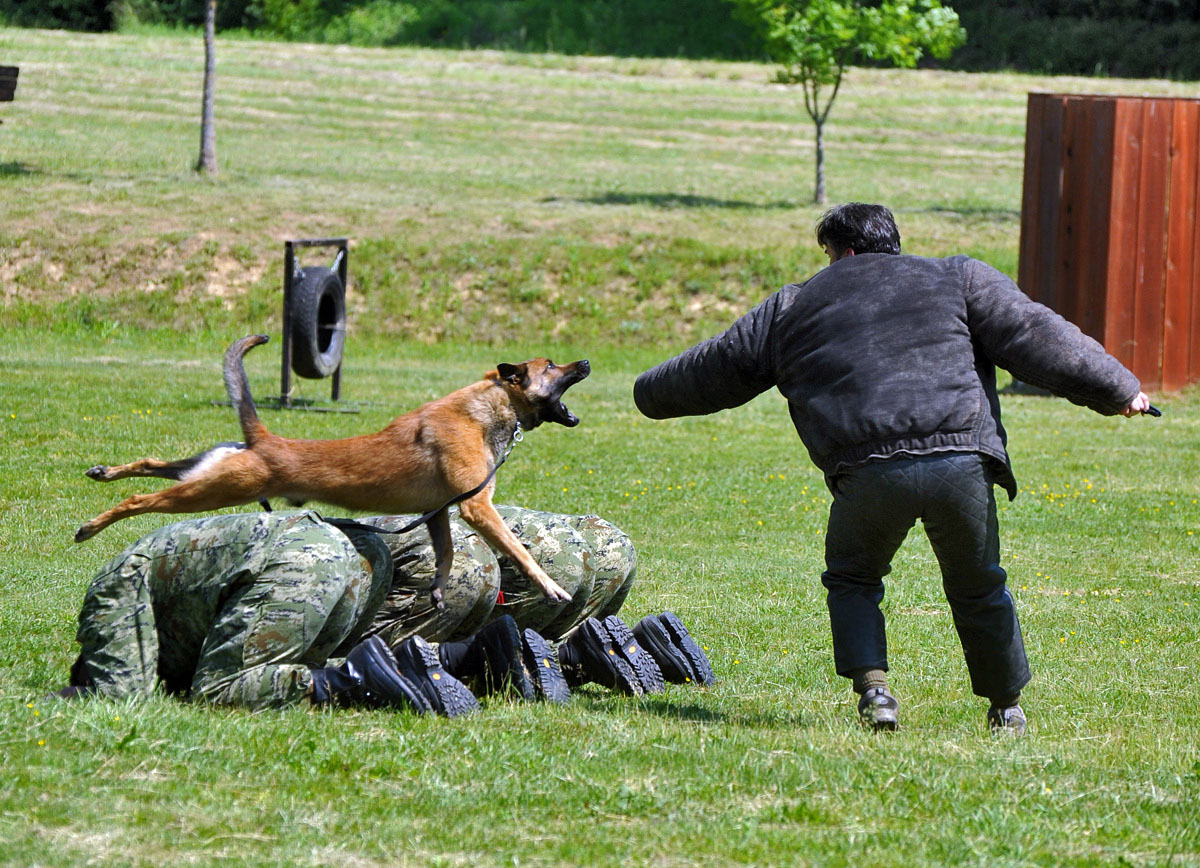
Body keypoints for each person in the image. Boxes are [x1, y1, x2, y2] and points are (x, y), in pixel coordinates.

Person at [632, 202, 1152, 735]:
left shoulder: (792, 306)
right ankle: (1007, 708)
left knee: (853, 577)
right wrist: (1121, 390)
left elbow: (715, 366)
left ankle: (875, 690)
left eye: (829, 255)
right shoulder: (958, 276)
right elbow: (1039, 337)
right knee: (978, 585)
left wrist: (645, 392)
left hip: (867, 468)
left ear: (846, 251)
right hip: (960, 460)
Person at [53, 505, 714, 712]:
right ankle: (562, 654)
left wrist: (80, 690)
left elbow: (121, 697)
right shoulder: (155, 573)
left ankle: (356, 681)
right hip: (354, 543)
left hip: (314, 558)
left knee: (228, 687)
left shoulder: (118, 589)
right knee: (420, 612)